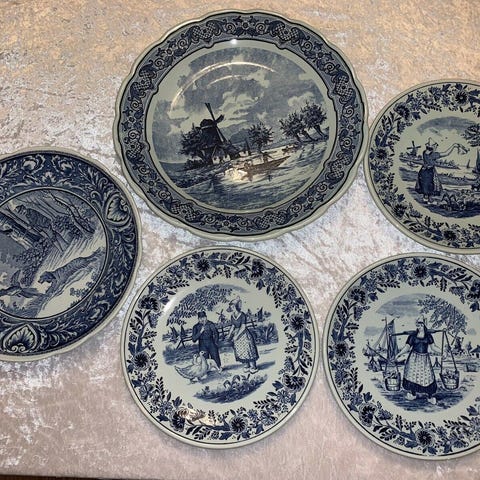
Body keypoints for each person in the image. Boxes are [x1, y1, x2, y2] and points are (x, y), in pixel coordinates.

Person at [395, 319, 441, 405]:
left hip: (424, 359)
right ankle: (413, 394)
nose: (419, 327)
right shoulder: (412, 336)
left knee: (427, 377)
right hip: (413, 358)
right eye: (418, 325)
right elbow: (407, 347)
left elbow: (433, 347)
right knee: (413, 376)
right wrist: (399, 354)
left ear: (424, 325)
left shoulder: (428, 336)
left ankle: (430, 397)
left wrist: (442, 352)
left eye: (421, 325)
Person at [415, 138, 462, 204]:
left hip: (423, 171)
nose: (436, 147)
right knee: (431, 185)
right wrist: (453, 146)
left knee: (424, 184)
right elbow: (446, 153)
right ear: (433, 147)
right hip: (429, 172)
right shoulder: (433, 155)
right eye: (435, 146)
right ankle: (429, 200)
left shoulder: (424, 152)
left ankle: (425, 198)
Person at [226, 298, 259, 373]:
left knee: (248, 349)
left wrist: (237, 336)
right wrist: (229, 334)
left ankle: (253, 366)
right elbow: (233, 326)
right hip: (236, 334)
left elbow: (243, 326)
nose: (232, 308)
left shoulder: (242, 314)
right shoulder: (232, 316)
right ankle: (247, 365)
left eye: (233, 306)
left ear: (236, 306)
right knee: (241, 351)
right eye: (231, 307)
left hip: (243, 334)